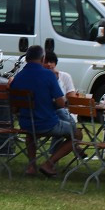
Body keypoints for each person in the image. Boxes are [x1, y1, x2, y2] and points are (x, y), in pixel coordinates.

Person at [9, 45, 74, 177]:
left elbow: (14, 108)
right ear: (42, 58)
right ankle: (49, 164)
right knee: (76, 135)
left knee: (31, 134)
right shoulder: (48, 75)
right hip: (47, 124)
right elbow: (61, 103)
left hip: (26, 124)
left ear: (26, 59)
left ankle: (31, 166)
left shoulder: (18, 77)